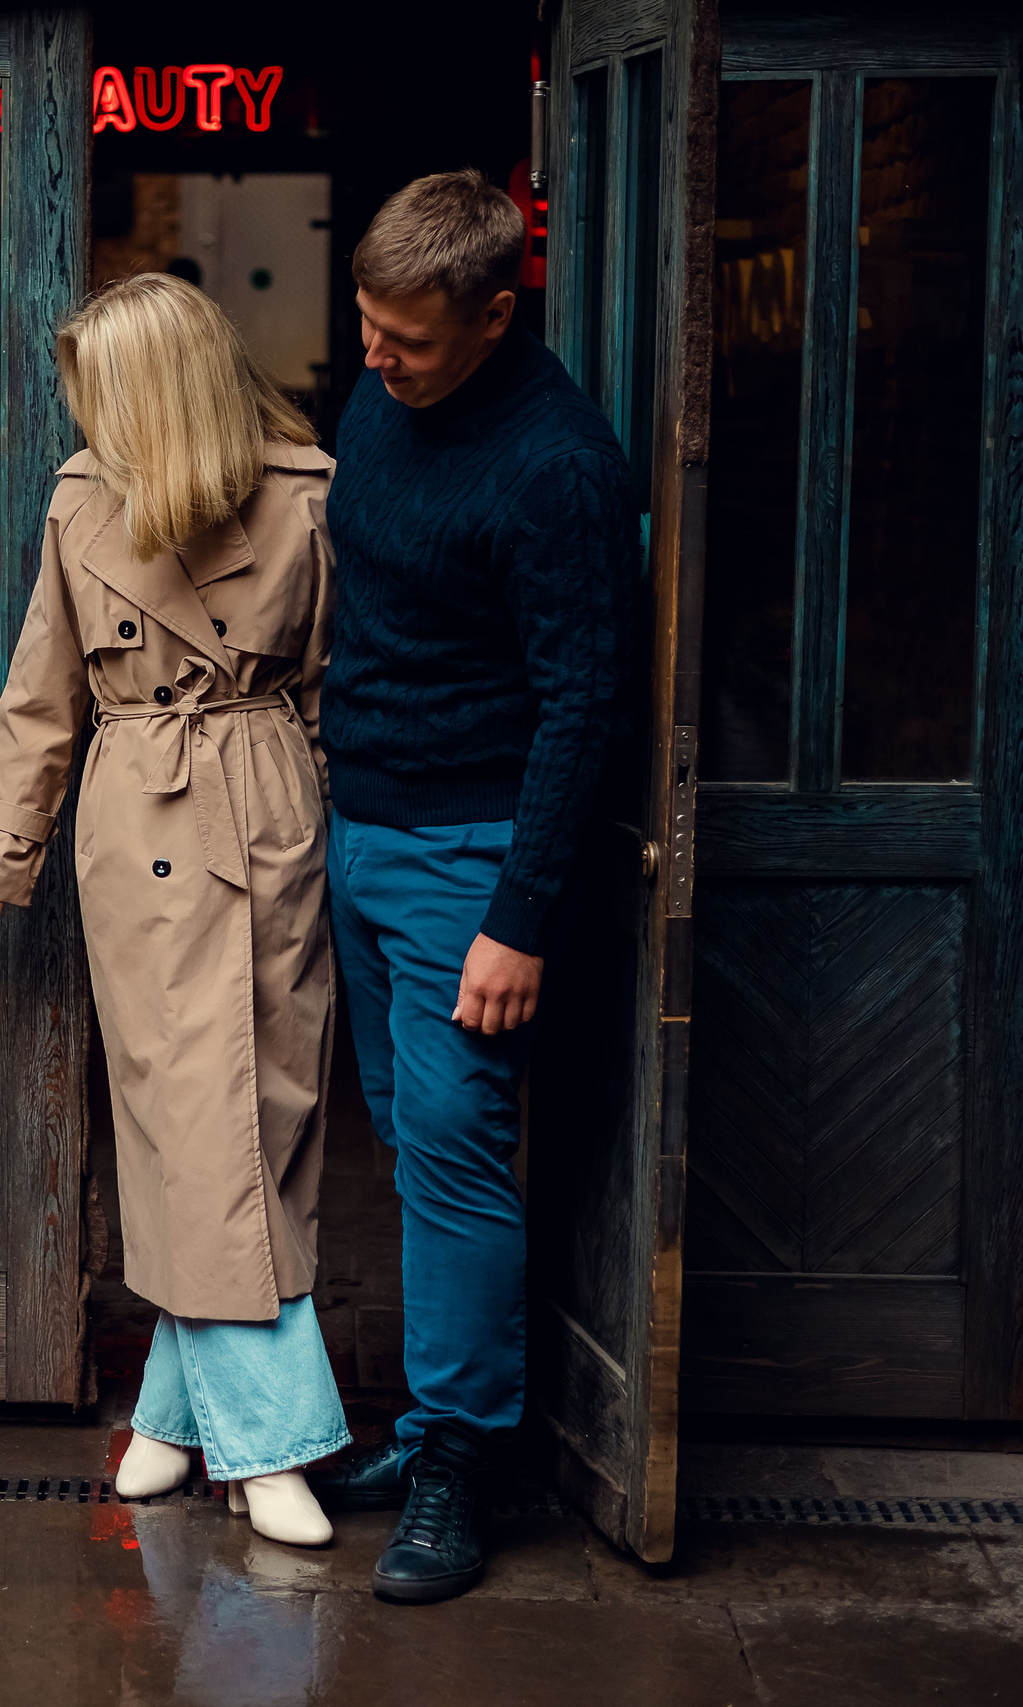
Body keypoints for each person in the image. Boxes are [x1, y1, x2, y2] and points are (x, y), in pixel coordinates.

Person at [0, 273, 346, 1548]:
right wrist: (0, 844)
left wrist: (328, 825)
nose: (86, 416)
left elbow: (340, 687)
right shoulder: (83, 498)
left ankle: (172, 1419)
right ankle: (270, 1446)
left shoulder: (307, 495)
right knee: (187, 1125)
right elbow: (42, 688)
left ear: (162, 392)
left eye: (104, 392)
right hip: (141, 831)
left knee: (257, 1122)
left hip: (265, 813)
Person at [305, 170, 641, 1603]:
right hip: (361, 825)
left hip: (468, 854)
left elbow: (585, 706)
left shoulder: (558, 468)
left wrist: (518, 914)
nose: (374, 358)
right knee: (408, 1135)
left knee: (451, 1147)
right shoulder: (384, 398)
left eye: (409, 339)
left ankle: (461, 1459)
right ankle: (436, 1423)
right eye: (366, 326)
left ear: (497, 315)